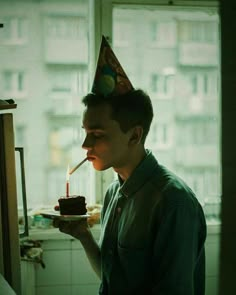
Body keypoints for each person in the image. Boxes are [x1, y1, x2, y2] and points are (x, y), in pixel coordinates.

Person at [54, 36, 206, 295]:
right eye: (85, 132)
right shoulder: (115, 192)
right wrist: (83, 234)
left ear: (134, 136)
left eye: (97, 134)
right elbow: (112, 279)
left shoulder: (173, 202)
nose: (85, 144)